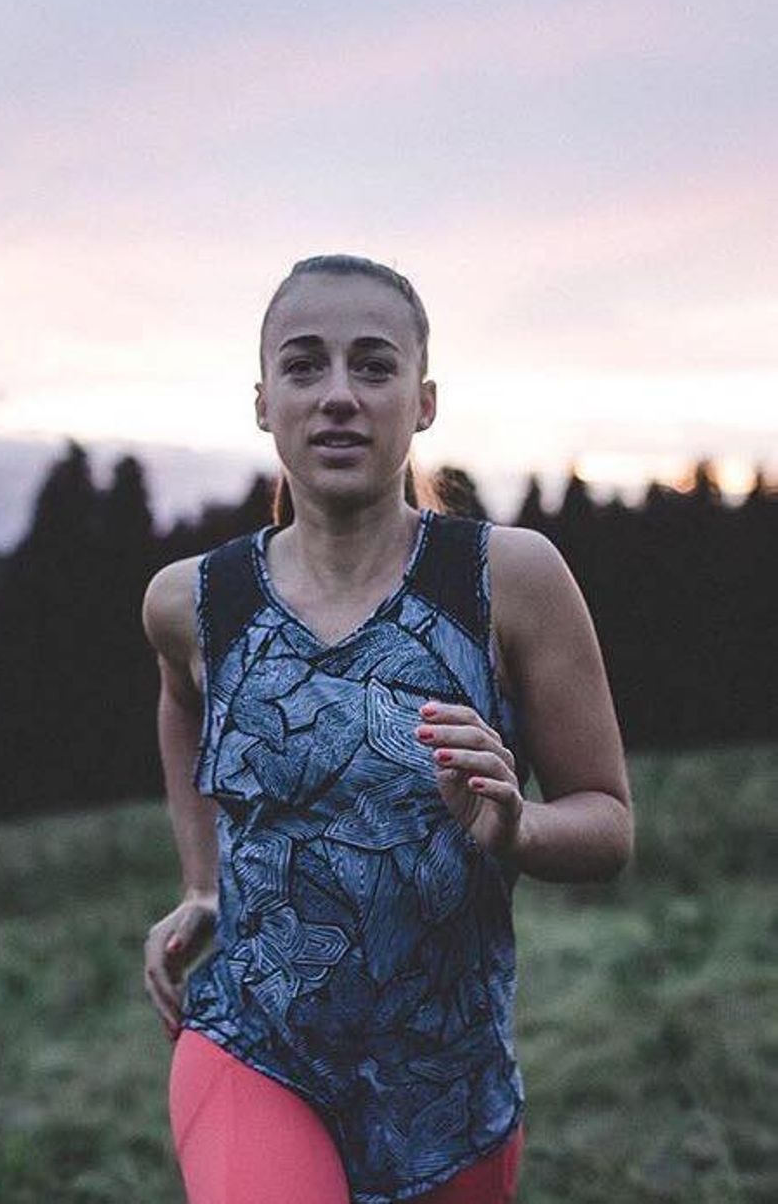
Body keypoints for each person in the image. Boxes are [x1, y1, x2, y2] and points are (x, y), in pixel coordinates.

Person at [140, 254, 633, 1203]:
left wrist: (513, 827)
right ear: (260, 401)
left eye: (371, 366)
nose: (337, 396)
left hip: (450, 1090)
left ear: (423, 400)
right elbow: (180, 701)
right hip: (254, 1050)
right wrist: (201, 883)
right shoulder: (192, 601)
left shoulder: (507, 580)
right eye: (303, 366)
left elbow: (608, 824)